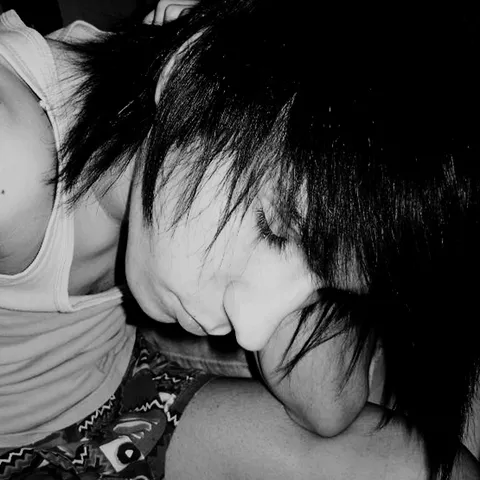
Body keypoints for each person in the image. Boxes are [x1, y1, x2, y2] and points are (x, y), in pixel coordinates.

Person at [0, 1, 479, 479]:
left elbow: (327, 404)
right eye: (272, 228)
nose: (251, 332)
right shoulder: (12, 164)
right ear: (189, 70)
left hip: (119, 387)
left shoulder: (200, 126)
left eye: (322, 292)